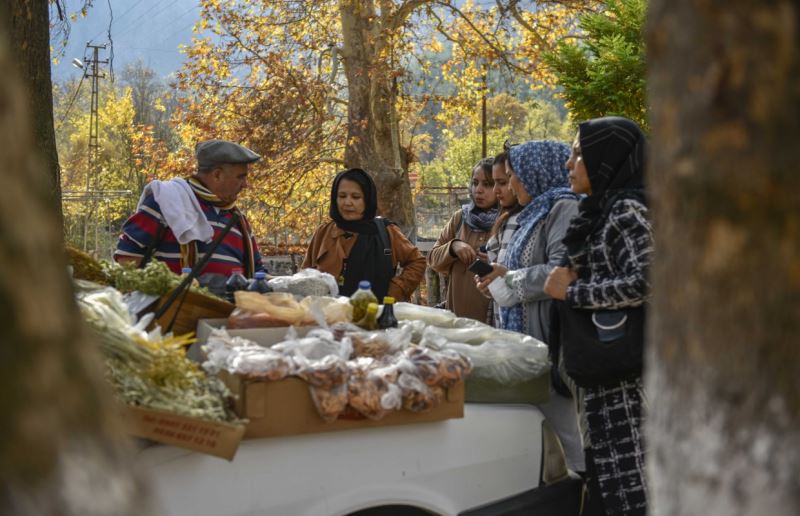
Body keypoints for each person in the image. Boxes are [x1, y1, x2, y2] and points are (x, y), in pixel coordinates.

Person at [544, 117, 651, 516]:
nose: (569, 163)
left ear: (606, 160)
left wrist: (572, 291)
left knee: (631, 488)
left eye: (579, 154)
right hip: (606, 374)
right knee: (612, 482)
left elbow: (648, 281)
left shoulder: (627, 210)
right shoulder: (602, 210)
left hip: (625, 377)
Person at [474, 140, 585, 475]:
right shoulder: (532, 212)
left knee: (570, 434)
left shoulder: (564, 209)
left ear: (536, 173)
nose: (511, 184)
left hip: (552, 338)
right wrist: (498, 280)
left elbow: (561, 271)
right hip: (528, 336)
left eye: (513, 176)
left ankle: (583, 492)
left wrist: (510, 279)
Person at [114, 139, 265, 278]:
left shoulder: (238, 220)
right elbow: (127, 258)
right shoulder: (166, 201)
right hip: (175, 306)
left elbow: (258, 273)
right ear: (217, 175)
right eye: (241, 177)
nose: (245, 185)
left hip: (228, 308)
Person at [302, 168, 426, 301]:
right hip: (328, 315)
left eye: (356, 197)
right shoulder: (324, 232)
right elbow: (306, 275)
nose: (347, 202)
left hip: (373, 316)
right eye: (342, 196)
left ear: (367, 199)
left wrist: (395, 290)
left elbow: (417, 261)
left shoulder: (385, 232)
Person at [427, 158, 498, 321]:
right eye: (475, 183)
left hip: (491, 323)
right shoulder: (460, 218)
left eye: (487, 184)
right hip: (455, 320)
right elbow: (432, 259)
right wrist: (453, 247)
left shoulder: (506, 222)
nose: (478, 190)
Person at [484, 151, 521, 326]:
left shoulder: (524, 221)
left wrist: (504, 276)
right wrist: (490, 283)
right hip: (503, 319)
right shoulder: (505, 220)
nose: (495, 190)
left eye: (503, 182)